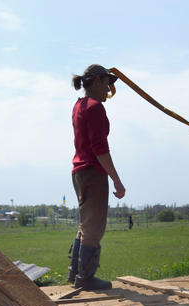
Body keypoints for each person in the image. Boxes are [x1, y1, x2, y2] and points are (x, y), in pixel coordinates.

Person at [67, 64, 126, 290]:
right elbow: (100, 148)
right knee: (94, 227)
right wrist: (117, 180)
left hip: (79, 172)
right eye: (107, 83)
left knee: (85, 224)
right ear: (98, 81)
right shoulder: (95, 108)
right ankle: (86, 278)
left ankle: (76, 273)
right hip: (93, 171)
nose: (109, 89)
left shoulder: (78, 105)